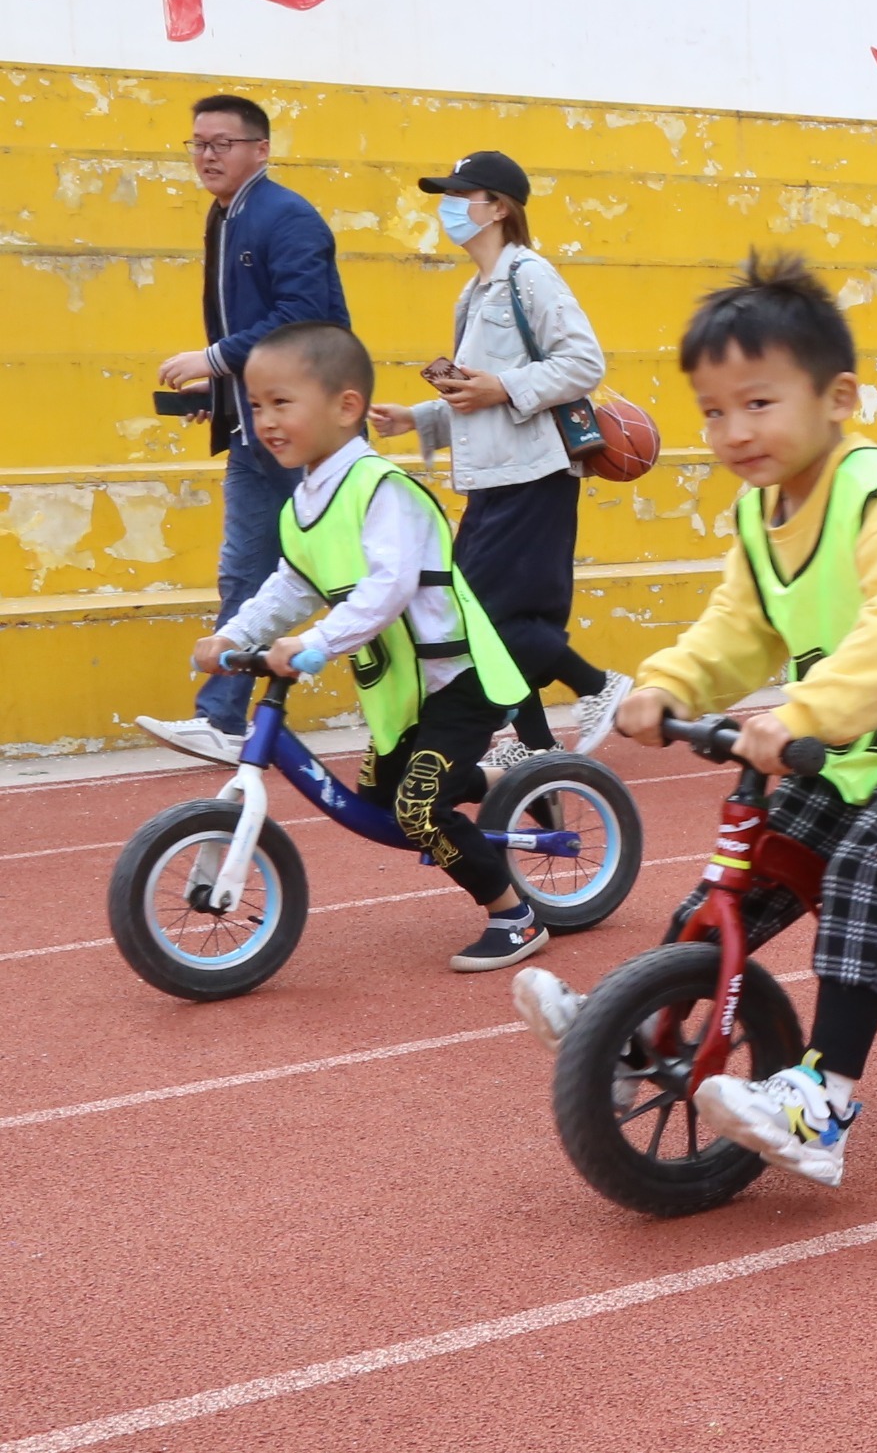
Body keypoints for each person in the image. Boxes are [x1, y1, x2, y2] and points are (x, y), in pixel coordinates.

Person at [585, 255, 877, 1188]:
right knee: (762, 852)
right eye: (713, 411)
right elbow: (737, 627)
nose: (733, 431)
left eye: (758, 404)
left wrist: (801, 713)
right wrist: (667, 684)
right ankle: (643, 1019)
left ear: (837, 397)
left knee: (865, 865)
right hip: (859, 743)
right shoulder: (762, 514)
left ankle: (825, 1102)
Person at [191, 323, 546, 969]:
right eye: (256, 404)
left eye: (281, 402)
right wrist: (233, 635)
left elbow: (389, 589)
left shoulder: (381, 488)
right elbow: (289, 587)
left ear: (346, 406)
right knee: (380, 796)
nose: (264, 419)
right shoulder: (302, 505)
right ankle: (500, 777)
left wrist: (315, 644)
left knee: (416, 807)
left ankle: (514, 914)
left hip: (455, 677)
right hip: (399, 686)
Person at [365, 150, 630, 767]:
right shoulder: (474, 293)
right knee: (477, 620)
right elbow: (476, 393)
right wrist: (419, 417)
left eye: (462, 194)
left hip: (533, 475)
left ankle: (598, 686)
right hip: (493, 477)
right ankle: (536, 748)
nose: (449, 206)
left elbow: (583, 364)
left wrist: (503, 387)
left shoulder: (528, 276)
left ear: (499, 208)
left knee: (486, 617)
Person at [139, 94, 352, 765]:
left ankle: (459, 698)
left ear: (260, 149)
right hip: (255, 423)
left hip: (305, 426)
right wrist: (226, 393)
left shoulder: (285, 216)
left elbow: (306, 320)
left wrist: (217, 360)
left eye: (222, 143)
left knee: (358, 570)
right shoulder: (225, 216)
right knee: (244, 571)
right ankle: (223, 717)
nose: (207, 154)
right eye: (198, 142)